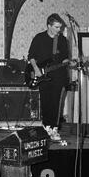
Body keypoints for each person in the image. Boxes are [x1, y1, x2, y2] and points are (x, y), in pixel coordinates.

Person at [28, 13, 70, 141]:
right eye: (57, 27)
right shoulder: (39, 38)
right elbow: (31, 56)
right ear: (49, 26)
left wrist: (70, 62)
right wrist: (36, 69)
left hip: (59, 76)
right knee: (46, 102)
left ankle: (55, 129)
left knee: (56, 103)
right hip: (42, 76)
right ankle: (47, 128)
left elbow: (64, 58)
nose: (59, 30)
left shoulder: (62, 40)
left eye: (60, 27)